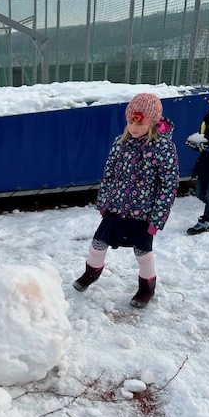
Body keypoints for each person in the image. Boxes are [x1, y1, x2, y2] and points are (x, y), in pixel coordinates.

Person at [73, 93, 179, 308]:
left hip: (143, 213)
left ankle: (147, 287)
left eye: (140, 124)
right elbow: (109, 174)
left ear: (153, 122)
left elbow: (168, 186)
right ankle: (91, 273)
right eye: (130, 122)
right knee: (97, 244)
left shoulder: (164, 148)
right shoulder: (120, 143)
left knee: (142, 252)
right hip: (116, 207)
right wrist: (104, 201)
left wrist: (157, 218)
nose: (134, 128)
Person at [185, 96, 209, 235]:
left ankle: (205, 221)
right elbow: (206, 137)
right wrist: (198, 144)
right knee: (200, 192)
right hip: (207, 161)